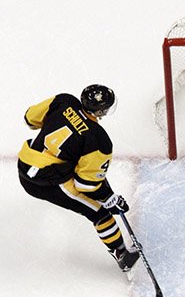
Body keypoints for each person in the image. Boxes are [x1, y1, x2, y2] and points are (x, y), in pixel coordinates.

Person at [17, 85, 139, 278]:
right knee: (100, 214)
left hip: (25, 163)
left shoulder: (63, 100)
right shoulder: (98, 140)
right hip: (44, 182)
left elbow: (30, 118)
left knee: (71, 166)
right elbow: (86, 185)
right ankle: (122, 255)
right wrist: (109, 198)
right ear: (101, 111)